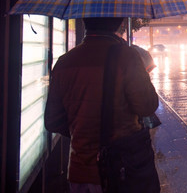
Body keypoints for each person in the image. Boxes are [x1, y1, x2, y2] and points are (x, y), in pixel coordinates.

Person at [44, 17, 160, 193]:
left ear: (85, 21)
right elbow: (147, 106)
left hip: (79, 172)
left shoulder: (64, 62)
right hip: (122, 169)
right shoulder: (127, 57)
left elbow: (52, 121)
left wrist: (82, 132)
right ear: (119, 23)